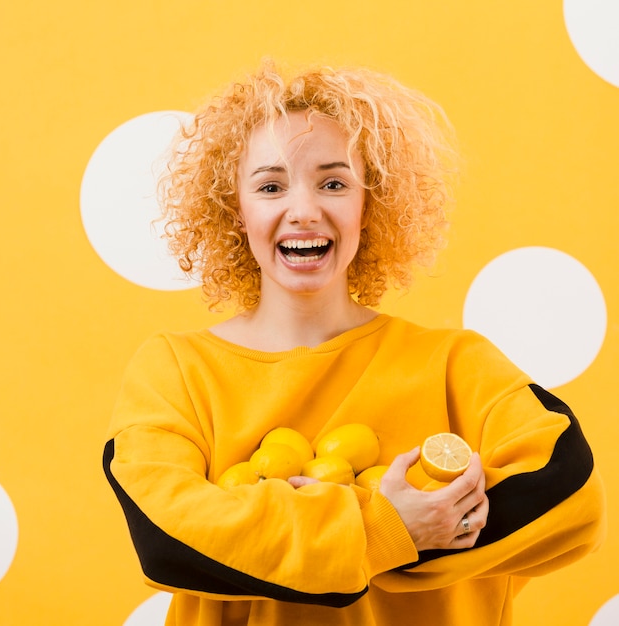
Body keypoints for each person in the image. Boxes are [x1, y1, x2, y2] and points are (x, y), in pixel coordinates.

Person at [103, 60, 605, 626]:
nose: (304, 210)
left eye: (334, 183)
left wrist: (294, 530)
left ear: (370, 206)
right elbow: (167, 536)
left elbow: (569, 494)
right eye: (270, 186)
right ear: (234, 211)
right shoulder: (175, 370)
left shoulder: (457, 364)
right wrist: (390, 528)